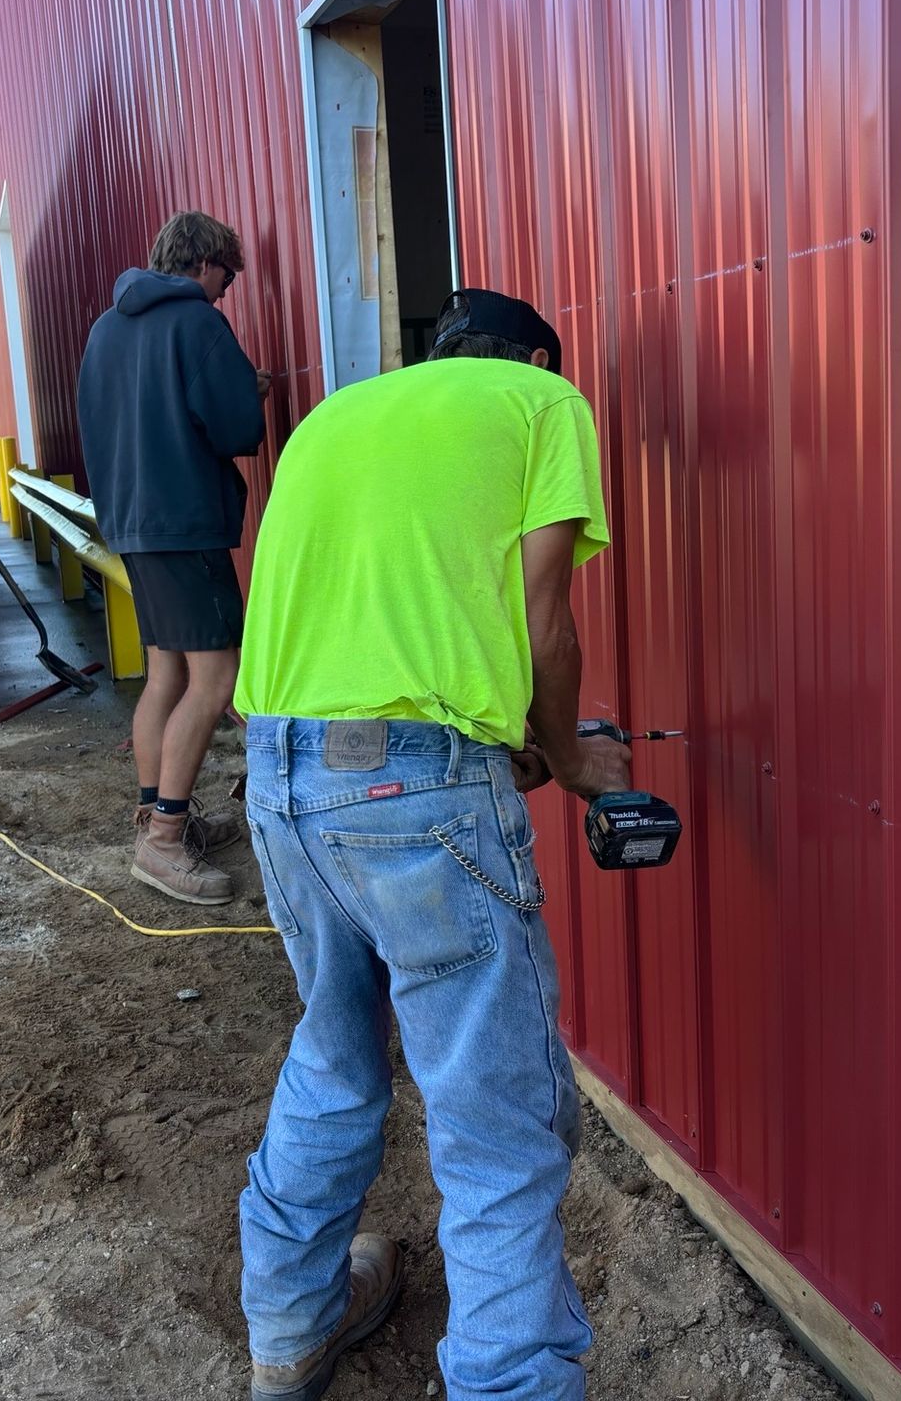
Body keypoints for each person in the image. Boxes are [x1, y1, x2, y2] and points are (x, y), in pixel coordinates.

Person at [231, 289, 632, 1401]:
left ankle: (289, 1333)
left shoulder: (334, 418)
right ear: (539, 356)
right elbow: (544, 616)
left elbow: (369, 625)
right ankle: (509, 1383)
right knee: (495, 1125)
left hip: (281, 776)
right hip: (422, 782)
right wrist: (567, 752)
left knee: (336, 1050)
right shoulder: (541, 400)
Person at [76, 210, 271, 906]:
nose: (226, 293)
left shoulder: (105, 329)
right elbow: (235, 427)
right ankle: (162, 843)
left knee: (166, 672)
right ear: (208, 263)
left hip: (130, 523)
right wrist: (253, 393)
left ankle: (161, 814)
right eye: (228, 279)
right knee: (216, 679)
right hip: (185, 521)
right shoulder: (197, 324)